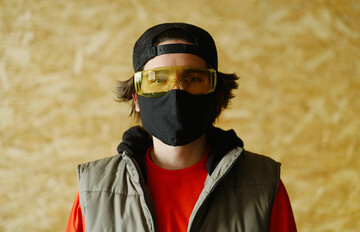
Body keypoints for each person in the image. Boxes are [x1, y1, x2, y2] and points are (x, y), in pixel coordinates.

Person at [66, 22, 297, 232]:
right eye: (158, 79)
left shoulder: (264, 184)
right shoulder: (93, 191)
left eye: (193, 78)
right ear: (137, 98)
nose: (176, 92)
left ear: (216, 94)